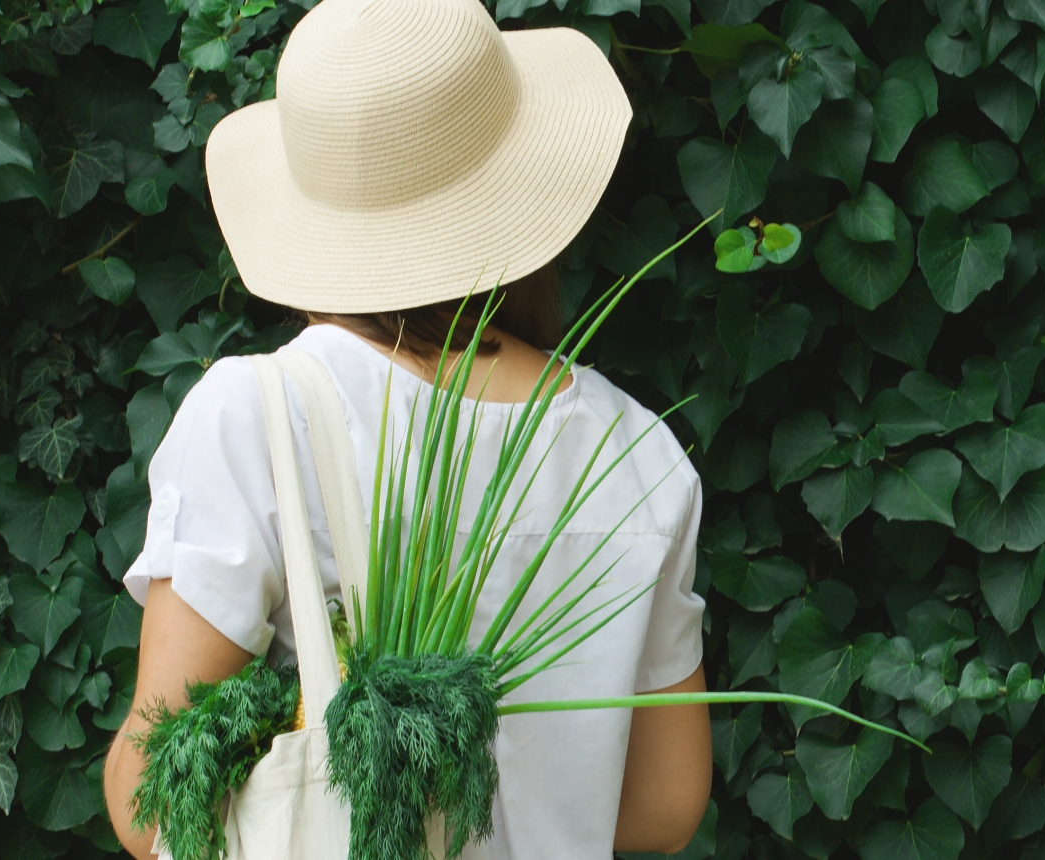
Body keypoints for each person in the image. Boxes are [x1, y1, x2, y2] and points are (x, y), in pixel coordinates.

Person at [98, 0, 712, 855]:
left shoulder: (261, 415)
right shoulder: (639, 452)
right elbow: (664, 804)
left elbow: (155, 804)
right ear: (523, 189)